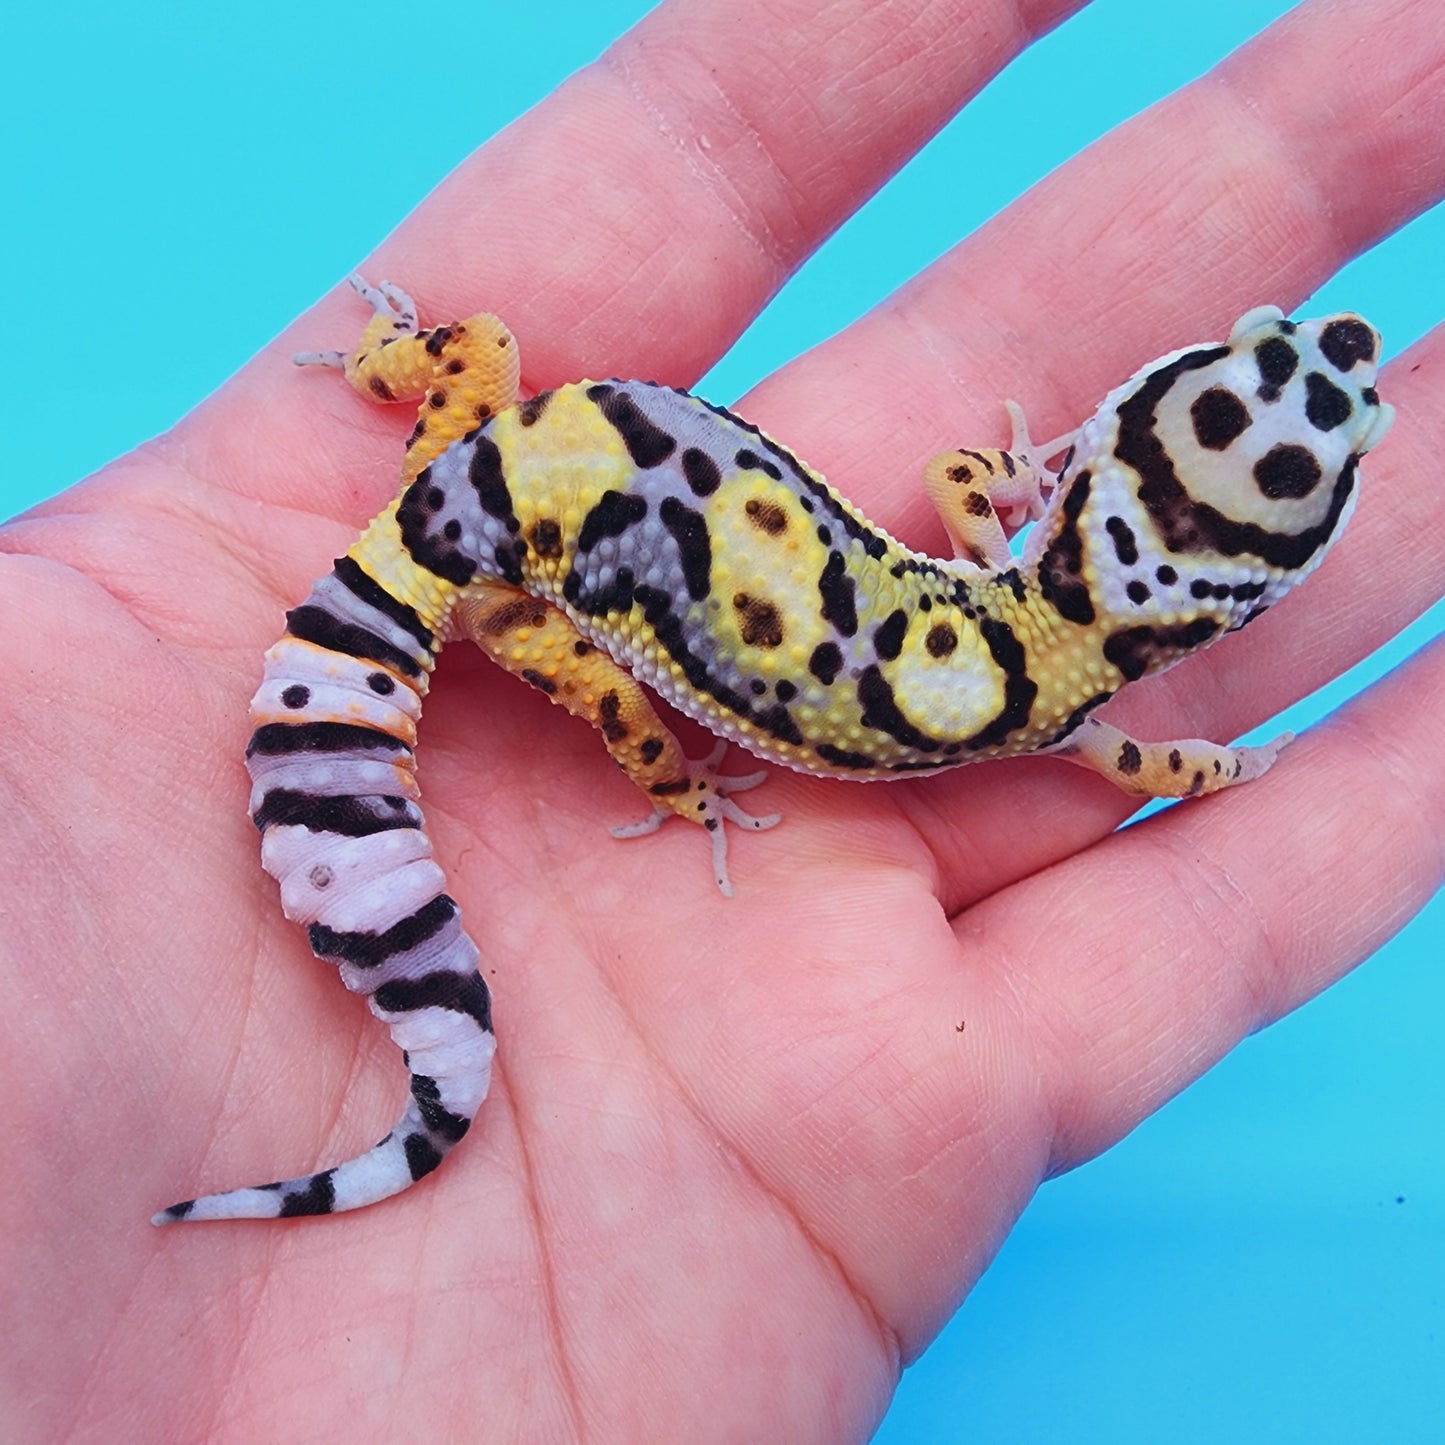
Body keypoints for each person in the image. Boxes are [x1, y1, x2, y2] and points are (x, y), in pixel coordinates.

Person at [2, 0, 1440, 1438]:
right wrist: (1208, 767)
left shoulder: (1017, 569)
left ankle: (413, 375)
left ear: (1116, 449)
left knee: (483, 354)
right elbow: (1138, 758)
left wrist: (1014, 486)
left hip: (517, 454)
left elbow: (957, 473)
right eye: (1268, 345)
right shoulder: (1069, 707)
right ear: (1229, 599)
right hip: (518, 553)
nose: (1303, 348)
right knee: (621, 695)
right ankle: (659, 789)